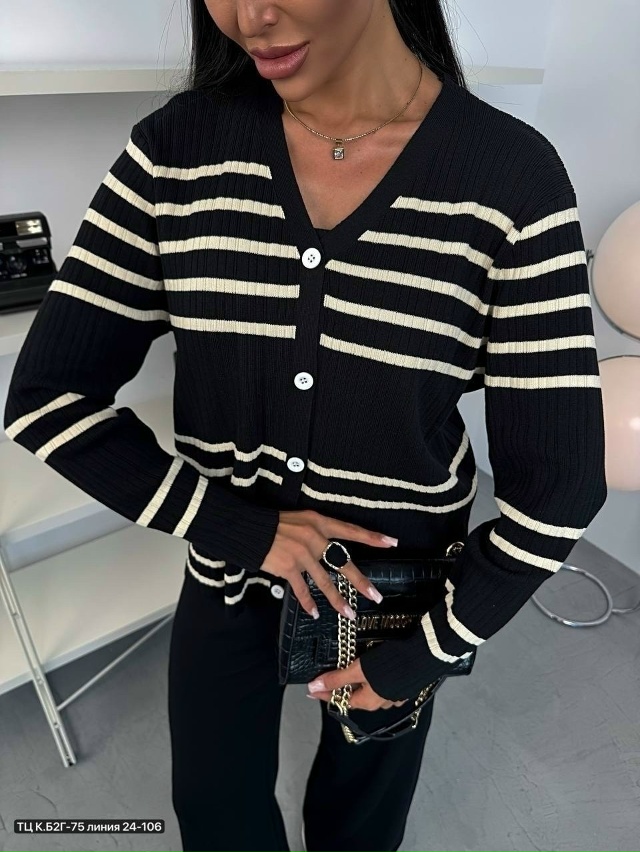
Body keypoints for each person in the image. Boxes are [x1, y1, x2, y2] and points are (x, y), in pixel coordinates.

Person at [3, 0, 608, 850]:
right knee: (214, 812)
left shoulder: (511, 178)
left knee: (362, 820)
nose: (249, 15)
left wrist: (426, 650)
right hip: (226, 571)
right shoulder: (177, 150)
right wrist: (239, 527)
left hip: (398, 593)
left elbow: (560, 487)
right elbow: (46, 398)